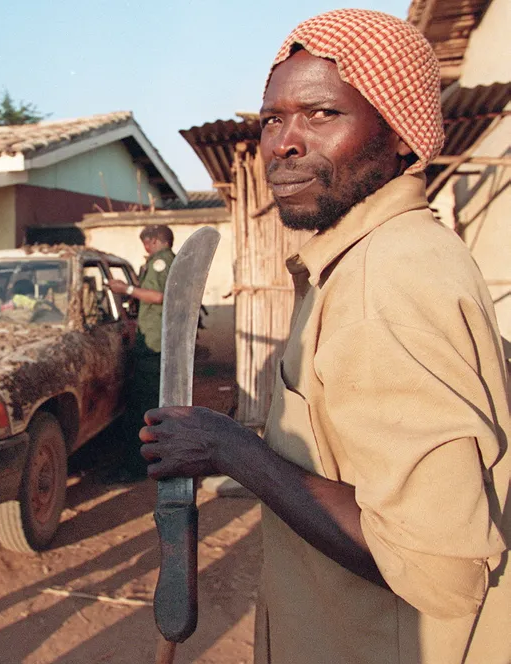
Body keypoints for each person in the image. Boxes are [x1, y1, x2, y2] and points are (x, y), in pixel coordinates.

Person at [139, 10, 510, 664]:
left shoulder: (390, 277)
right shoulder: (359, 265)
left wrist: (233, 450)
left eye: (321, 114)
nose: (282, 142)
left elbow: (438, 568)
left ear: (399, 133)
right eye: (272, 118)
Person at [106, 224, 175, 483]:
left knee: (141, 409)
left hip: (154, 344)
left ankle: (136, 467)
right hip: (155, 341)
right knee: (150, 405)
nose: (145, 248)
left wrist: (127, 290)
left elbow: (158, 296)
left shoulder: (160, 263)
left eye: (146, 243)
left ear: (154, 241)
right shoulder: (165, 262)